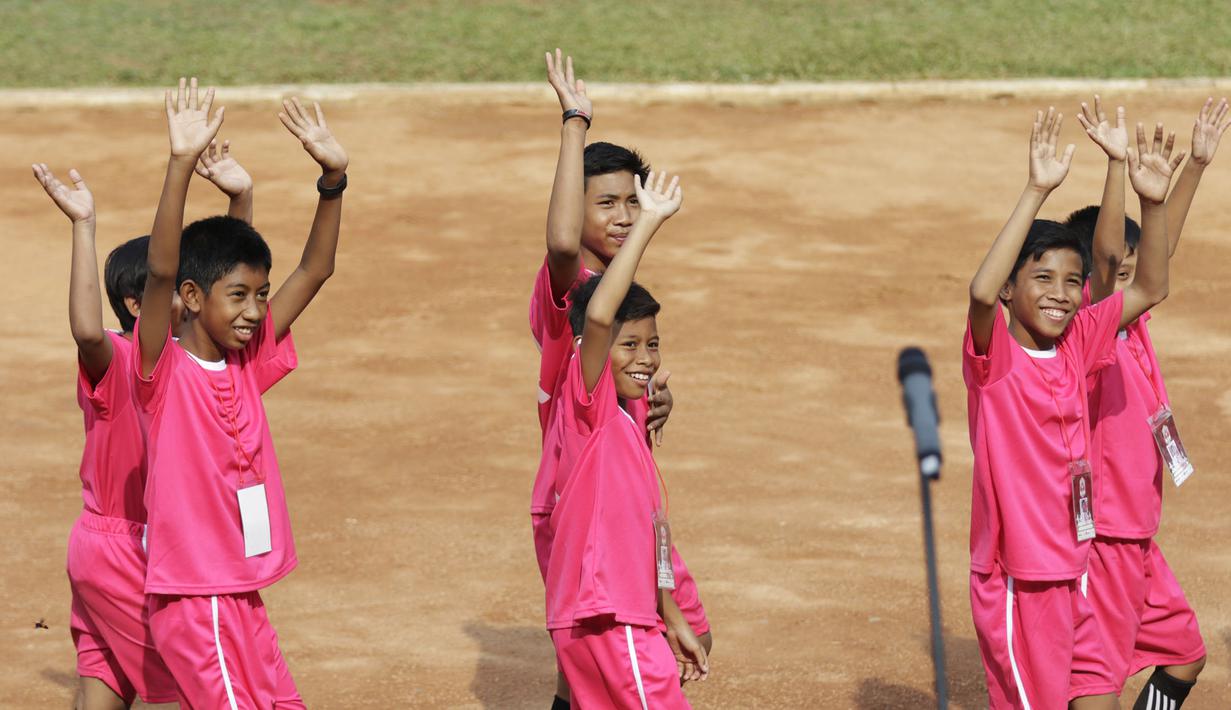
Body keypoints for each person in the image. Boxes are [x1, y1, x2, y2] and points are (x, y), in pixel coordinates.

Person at [133, 77, 347, 707]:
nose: (255, 311)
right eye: (239, 297)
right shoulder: (161, 371)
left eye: (261, 296)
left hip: (242, 596)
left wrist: (333, 179)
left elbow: (316, 269)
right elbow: (164, 271)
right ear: (192, 299)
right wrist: (179, 163)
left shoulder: (245, 365)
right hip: (197, 598)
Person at [964, 107, 1182, 709]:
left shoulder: (1079, 344)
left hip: (1078, 571)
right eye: (1041, 279)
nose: (1059, 294)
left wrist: (1154, 203)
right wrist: (1036, 190)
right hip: (1022, 580)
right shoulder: (995, 362)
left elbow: (1149, 287)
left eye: (1070, 281)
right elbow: (980, 292)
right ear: (1011, 288)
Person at [1072, 96, 1227, 709]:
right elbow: (1109, 260)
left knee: (1184, 654)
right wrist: (1118, 170)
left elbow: (1154, 261)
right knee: (1096, 687)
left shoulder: (1132, 323)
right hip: (1105, 537)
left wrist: (1195, 167)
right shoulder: (1090, 328)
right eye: (1120, 273)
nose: (1133, 280)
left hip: (1138, 535)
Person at [546, 168, 708, 708]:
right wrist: (649, 222)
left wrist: (674, 617)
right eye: (630, 345)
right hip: (611, 618)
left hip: (619, 614)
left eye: (652, 345)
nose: (645, 359)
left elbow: (644, 540)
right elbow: (598, 316)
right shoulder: (588, 407)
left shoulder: (629, 428)